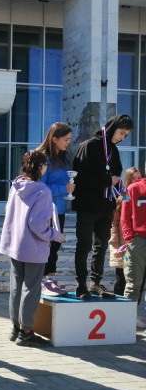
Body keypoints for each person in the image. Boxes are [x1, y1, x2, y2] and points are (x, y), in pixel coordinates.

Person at [0, 151, 63, 347]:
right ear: (41, 167)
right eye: (45, 165)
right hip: (33, 246)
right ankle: (26, 331)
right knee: (31, 289)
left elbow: (8, 211)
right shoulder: (42, 190)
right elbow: (37, 224)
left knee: (16, 287)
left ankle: (16, 327)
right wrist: (55, 235)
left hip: (14, 243)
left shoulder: (16, 186)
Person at [72, 115, 132, 300]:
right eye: (121, 133)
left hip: (106, 206)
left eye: (126, 135)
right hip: (87, 205)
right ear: (113, 128)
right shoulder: (89, 146)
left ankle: (95, 283)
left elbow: (117, 173)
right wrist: (107, 180)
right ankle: (81, 285)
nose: (122, 137)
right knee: (84, 245)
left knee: (101, 246)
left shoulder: (114, 149)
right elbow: (80, 177)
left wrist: (115, 184)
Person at [35, 122, 74, 296]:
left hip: (60, 210)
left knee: (55, 246)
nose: (68, 142)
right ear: (54, 139)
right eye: (66, 139)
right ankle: (42, 281)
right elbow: (39, 188)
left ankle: (50, 279)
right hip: (46, 210)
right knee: (47, 246)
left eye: (69, 139)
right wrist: (63, 189)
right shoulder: (43, 158)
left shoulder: (63, 157)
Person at [109, 167, 142, 297]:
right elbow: (114, 224)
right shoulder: (121, 198)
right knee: (121, 279)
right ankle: (119, 306)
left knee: (138, 280)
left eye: (139, 178)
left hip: (138, 243)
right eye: (133, 178)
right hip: (123, 245)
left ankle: (134, 307)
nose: (136, 181)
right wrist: (115, 245)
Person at [120, 165, 146, 328]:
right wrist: (130, 239)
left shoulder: (131, 188)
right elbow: (125, 216)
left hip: (136, 240)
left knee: (133, 283)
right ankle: (127, 321)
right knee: (133, 282)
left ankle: (128, 321)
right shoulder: (132, 188)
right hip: (138, 240)